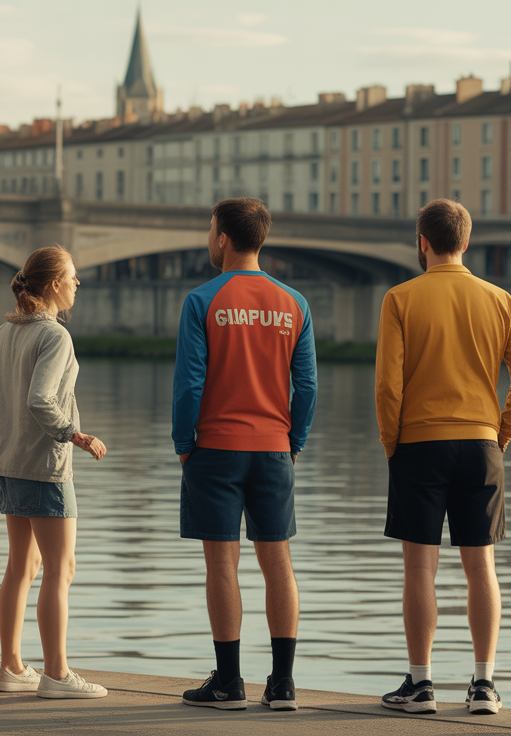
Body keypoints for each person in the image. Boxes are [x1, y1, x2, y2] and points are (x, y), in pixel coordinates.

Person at [376, 199, 511, 716]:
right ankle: (484, 685)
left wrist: (391, 442)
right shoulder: (499, 299)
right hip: (481, 444)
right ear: (466, 242)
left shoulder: (400, 298)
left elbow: (388, 386)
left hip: (418, 443)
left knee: (419, 566)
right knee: (480, 565)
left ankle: (421, 686)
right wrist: (500, 434)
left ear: (422, 242)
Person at [172, 197, 317, 711]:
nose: (209, 237)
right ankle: (282, 685)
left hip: (215, 448)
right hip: (274, 449)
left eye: (210, 228)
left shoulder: (202, 300)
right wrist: (293, 440)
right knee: (278, 561)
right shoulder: (294, 302)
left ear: (223, 239)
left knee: (222, 565)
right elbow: (308, 386)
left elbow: (190, 385)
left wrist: (184, 445)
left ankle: (229, 683)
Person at [0, 246, 109, 699]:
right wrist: (77, 435)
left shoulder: (2, 333)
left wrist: (8, 430)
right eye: (72, 277)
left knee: (21, 565)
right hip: (44, 469)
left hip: (5, 464)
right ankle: (56, 674)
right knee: (60, 569)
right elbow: (40, 400)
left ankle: (11, 668)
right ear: (52, 284)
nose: (77, 284)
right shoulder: (54, 337)